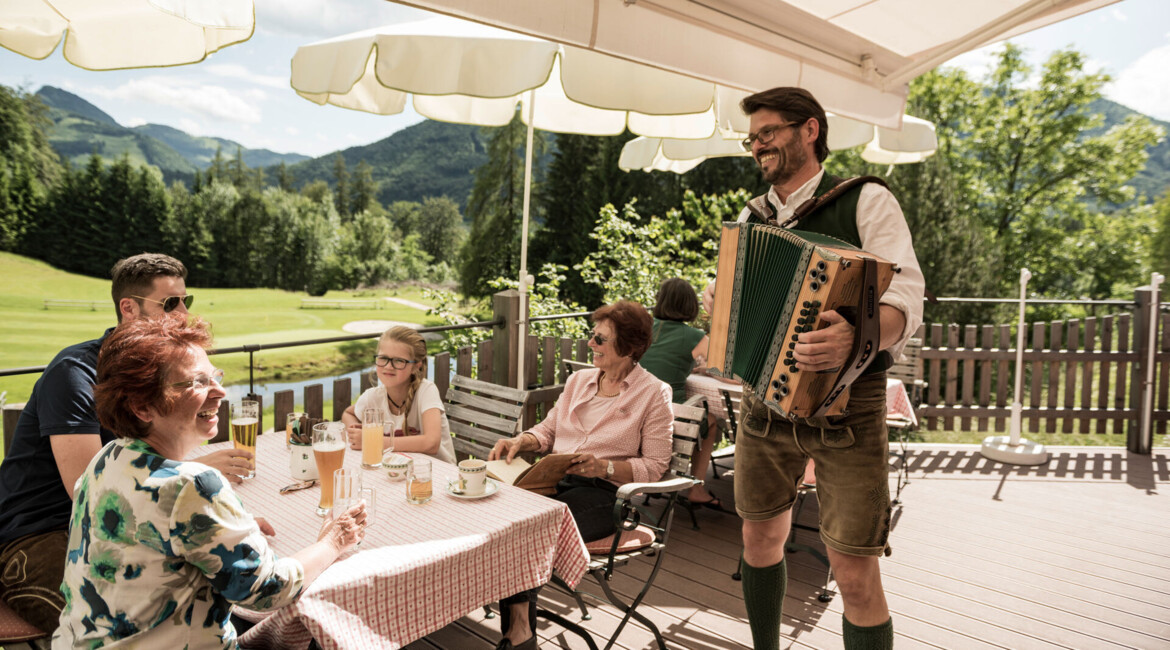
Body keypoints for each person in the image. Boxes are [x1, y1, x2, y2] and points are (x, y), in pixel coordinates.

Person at [702, 88, 925, 650]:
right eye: (752, 137)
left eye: (769, 132)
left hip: (848, 408)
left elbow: (909, 293)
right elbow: (740, 301)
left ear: (810, 131)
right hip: (763, 405)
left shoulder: (866, 200)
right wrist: (721, 300)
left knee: (854, 573)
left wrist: (859, 335)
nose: (758, 145)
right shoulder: (752, 217)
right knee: (758, 540)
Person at [53, 315, 366, 648]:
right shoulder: (191, 485)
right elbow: (268, 591)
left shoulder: (107, 458)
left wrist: (224, 528)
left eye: (215, 376)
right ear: (143, 407)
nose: (220, 392)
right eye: (196, 382)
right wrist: (334, 540)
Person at [0, 253, 251, 633]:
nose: (183, 313)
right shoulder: (77, 373)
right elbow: (87, 488)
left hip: (118, 524)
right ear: (128, 308)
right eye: (170, 303)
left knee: (212, 595)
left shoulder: (153, 375)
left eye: (186, 301)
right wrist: (200, 473)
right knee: (110, 629)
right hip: (43, 532)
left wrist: (217, 525)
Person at [487, 300, 674, 650]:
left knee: (529, 529)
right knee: (505, 519)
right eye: (592, 336)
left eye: (601, 340)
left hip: (609, 498)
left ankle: (518, 634)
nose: (591, 344)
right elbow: (548, 431)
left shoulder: (653, 393)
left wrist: (604, 466)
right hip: (555, 483)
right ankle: (520, 633)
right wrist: (521, 440)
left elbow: (654, 467)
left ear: (631, 347)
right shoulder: (578, 381)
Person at [639, 277, 724, 508]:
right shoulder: (694, 337)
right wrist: (708, 369)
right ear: (690, 305)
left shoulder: (642, 330)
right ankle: (696, 488)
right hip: (670, 414)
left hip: (637, 410)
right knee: (711, 421)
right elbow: (724, 370)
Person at [341, 325, 457, 464]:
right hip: (397, 473)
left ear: (416, 366)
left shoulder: (426, 391)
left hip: (438, 474)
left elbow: (431, 443)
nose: (388, 366)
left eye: (399, 361)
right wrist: (356, 432)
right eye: (383, 358)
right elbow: (348, 414)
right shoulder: (373, 396)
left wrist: (372, 441)